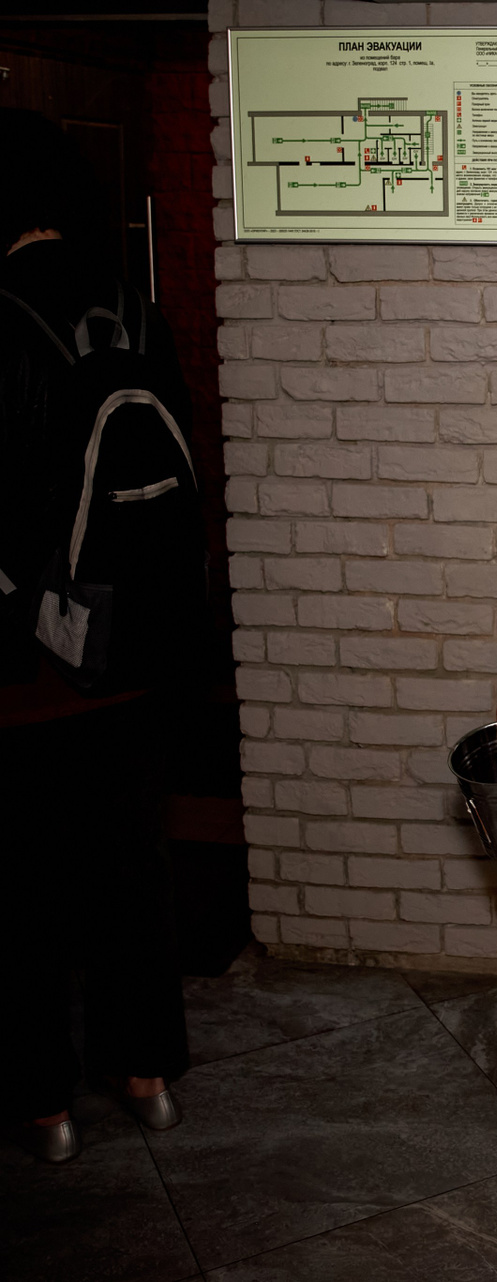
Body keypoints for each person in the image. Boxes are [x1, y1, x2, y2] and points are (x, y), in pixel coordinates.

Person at [2, 108, 192, 1164]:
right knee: (129, 865)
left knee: (22, 883)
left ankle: (45, 1105)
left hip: (29, 662)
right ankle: (146, 1071)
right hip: (135, 641)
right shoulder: (136, 305)